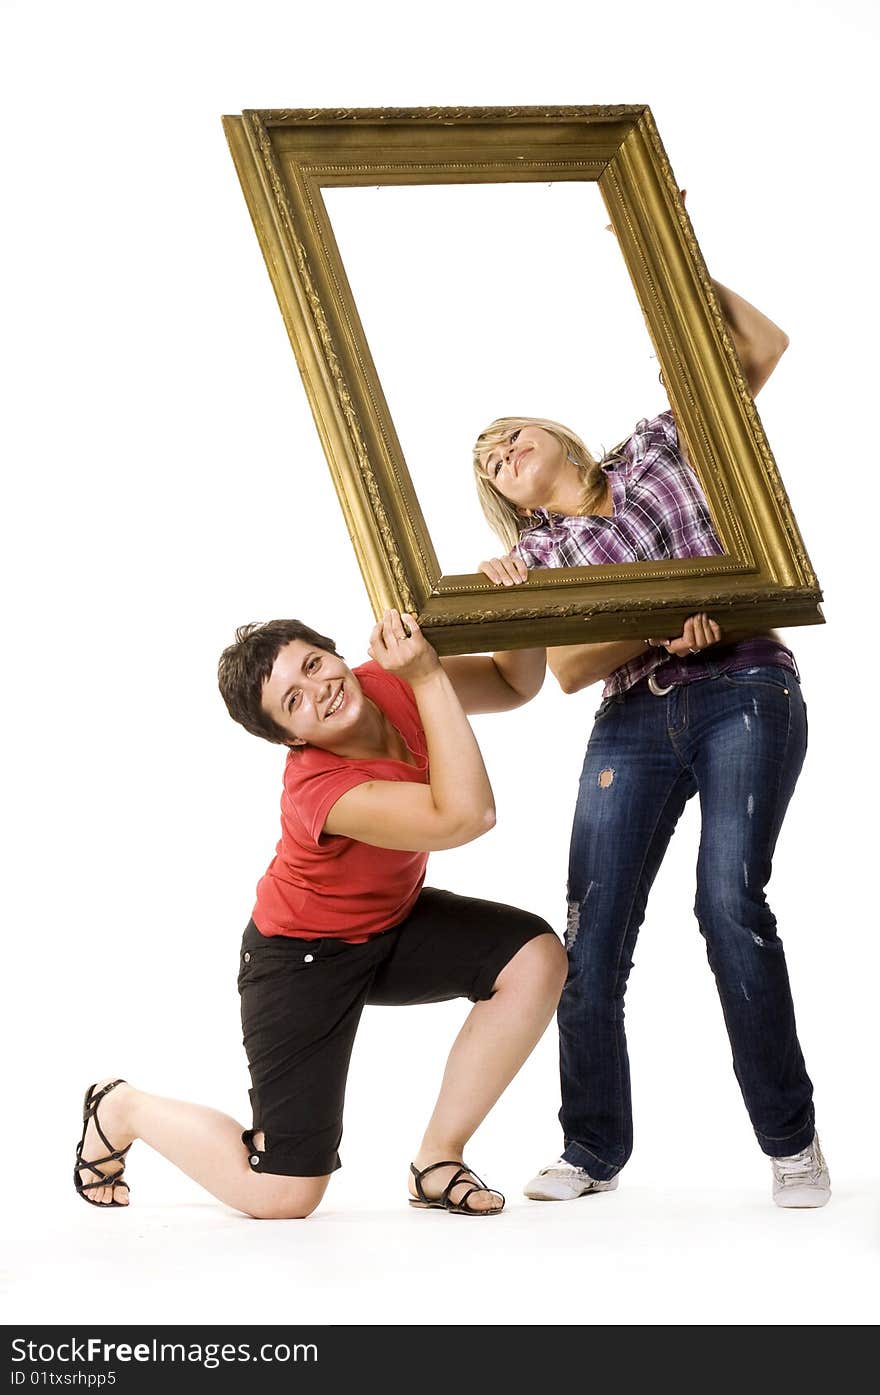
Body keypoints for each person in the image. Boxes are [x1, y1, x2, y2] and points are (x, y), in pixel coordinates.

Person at [473, 263, 830, 1209]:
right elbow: (570, 669)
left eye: (512, 431)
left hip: (744, 682)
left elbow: (763, 348)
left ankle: (791, 1143)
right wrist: (668, 615)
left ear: (555, 432)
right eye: (491, 460)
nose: (503, 447)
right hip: (632, 716)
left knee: (728, 902)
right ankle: (591, 1148)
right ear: (514, 502)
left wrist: (668, 248)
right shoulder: (541, 559)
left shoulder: (662, 445)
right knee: (593, 936)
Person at [73, 611, 567, 1219]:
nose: (322, 690)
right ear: (290, 737)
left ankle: (438, 1161)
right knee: (284, 1195)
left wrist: (516, 597)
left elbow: (514, 684)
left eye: (314, 665)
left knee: (534, 958)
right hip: (300, 960)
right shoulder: (321, 789)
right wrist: (428, 675)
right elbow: (466, 817)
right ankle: (122, 1108)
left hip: (392, 923)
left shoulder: (385, 684)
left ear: (335, 652)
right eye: (294, 700)